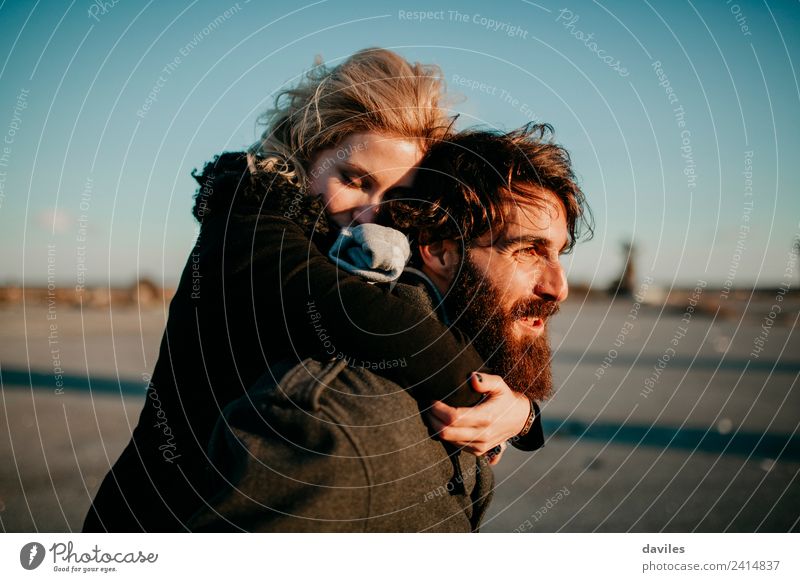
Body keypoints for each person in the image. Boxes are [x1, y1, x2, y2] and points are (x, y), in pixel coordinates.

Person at [84, 48, 533, 533]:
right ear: (311, 145)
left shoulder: (356, 246)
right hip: (164, 518)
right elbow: (368, 318)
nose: (370, 212)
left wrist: (518, 409)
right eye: (355, 180)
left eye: (394, 196)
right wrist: (511, 411)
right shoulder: (248, 217)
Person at [188, 123, 591, 532]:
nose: (559, 287)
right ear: (439, 251)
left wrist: (522, 415)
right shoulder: (340, 423)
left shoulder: (463, 390)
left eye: (558, 254)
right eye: (527, 250)